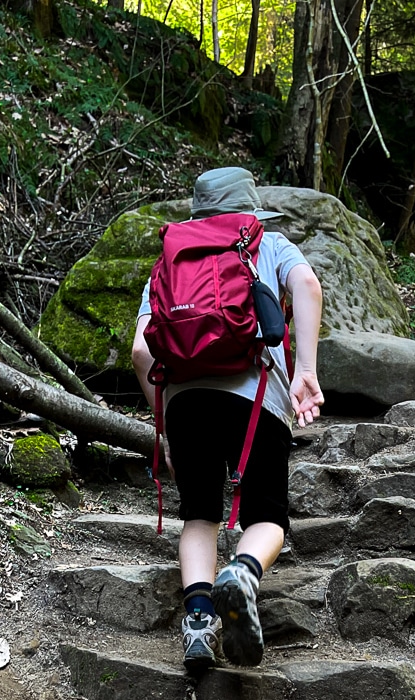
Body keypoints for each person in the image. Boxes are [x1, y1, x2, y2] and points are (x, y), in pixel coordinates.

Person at [131, 167, 324, 673]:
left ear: (198, 212)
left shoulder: (171, 258)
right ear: (249, 209)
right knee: (266, 516)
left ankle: (198, 620)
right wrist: (305, 369)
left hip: (186, 401)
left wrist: (167, 426)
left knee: (199, 514)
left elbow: (139, 350)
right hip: (257, 393)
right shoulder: (270, 243)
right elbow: (306, 283)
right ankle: (242, 571)